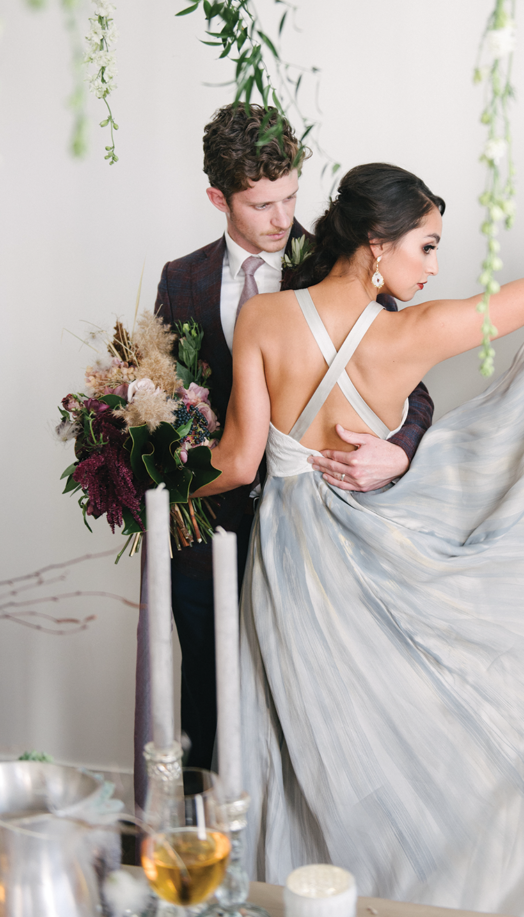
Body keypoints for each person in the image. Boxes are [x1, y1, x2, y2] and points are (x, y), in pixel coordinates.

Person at [197, 72, 524, 917]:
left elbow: (239, 464)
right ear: (377, 244)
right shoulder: (416, 334)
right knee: (391, 743)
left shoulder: (263, 320)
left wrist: (159, 481)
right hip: (367, 559)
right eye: (426, 246)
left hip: (282, 567)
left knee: (300, 747)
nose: (433, 267)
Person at [134, 103, 435, 792]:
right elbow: (161, 397)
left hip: (313, 534)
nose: (281, 218)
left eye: (291, 196)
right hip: (205, 535)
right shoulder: (181, 279)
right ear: (219, 198)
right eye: (261, 204)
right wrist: (146, 467)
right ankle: (207, 843)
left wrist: (401, 450)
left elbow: (407, 382)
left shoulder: (340, 261)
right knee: (206, 705)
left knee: (308, 711)